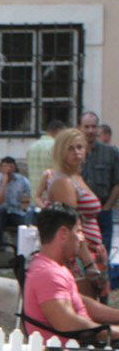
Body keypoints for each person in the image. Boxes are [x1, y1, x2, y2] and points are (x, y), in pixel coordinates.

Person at [22, 203, 119, 342]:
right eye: (79, 231)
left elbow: (85, 305)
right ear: (63, 233)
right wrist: (111, 332)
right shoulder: (48, 274)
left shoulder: (56, 267)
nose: (82, 239)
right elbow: (69, 325)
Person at [47, 127, 109, 300]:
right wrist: (88, 262)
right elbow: (73, 225)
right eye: (70, 148)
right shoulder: (63, 182)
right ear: (61, 151)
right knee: (86, 310)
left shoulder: (76, 177)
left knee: (97, 308)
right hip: (78, 256)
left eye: (79, 147)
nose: (76, 152)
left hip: (92, 250)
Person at [79, 112, 119, 271]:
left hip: (103, 212)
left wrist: (108, 206)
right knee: (82, 260)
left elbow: (117, 183)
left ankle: (102, 294)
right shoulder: (74, 151)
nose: (90, 130)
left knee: (103, 258)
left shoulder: (110, 153)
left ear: (98, 129)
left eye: (93, 127)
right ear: (79, 128)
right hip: (80, 215)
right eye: (86, 126)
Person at [0, 156, 31, 250]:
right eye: (5, 166)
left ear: (14, 168)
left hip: (15, 213)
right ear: (1, 168)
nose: (8, 169)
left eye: (10, 166)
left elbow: (32, 193)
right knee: (1, 209)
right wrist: (4, 183)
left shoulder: (21, 180)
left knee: (27, 220)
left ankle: (23, 250)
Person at [27, 120, 65, 198]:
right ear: (59, 131)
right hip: (50, 198)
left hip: (35, 196)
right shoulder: (56, 146)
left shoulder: (31, 147)